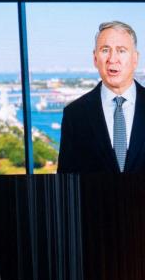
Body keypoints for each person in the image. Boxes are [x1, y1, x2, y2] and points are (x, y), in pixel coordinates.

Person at [58, 21, 145, 174]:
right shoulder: (75, 114)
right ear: (95, 58)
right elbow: (66, 183)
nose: (112, 59)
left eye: (121, 50)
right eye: (105, 50)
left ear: (135, 59)